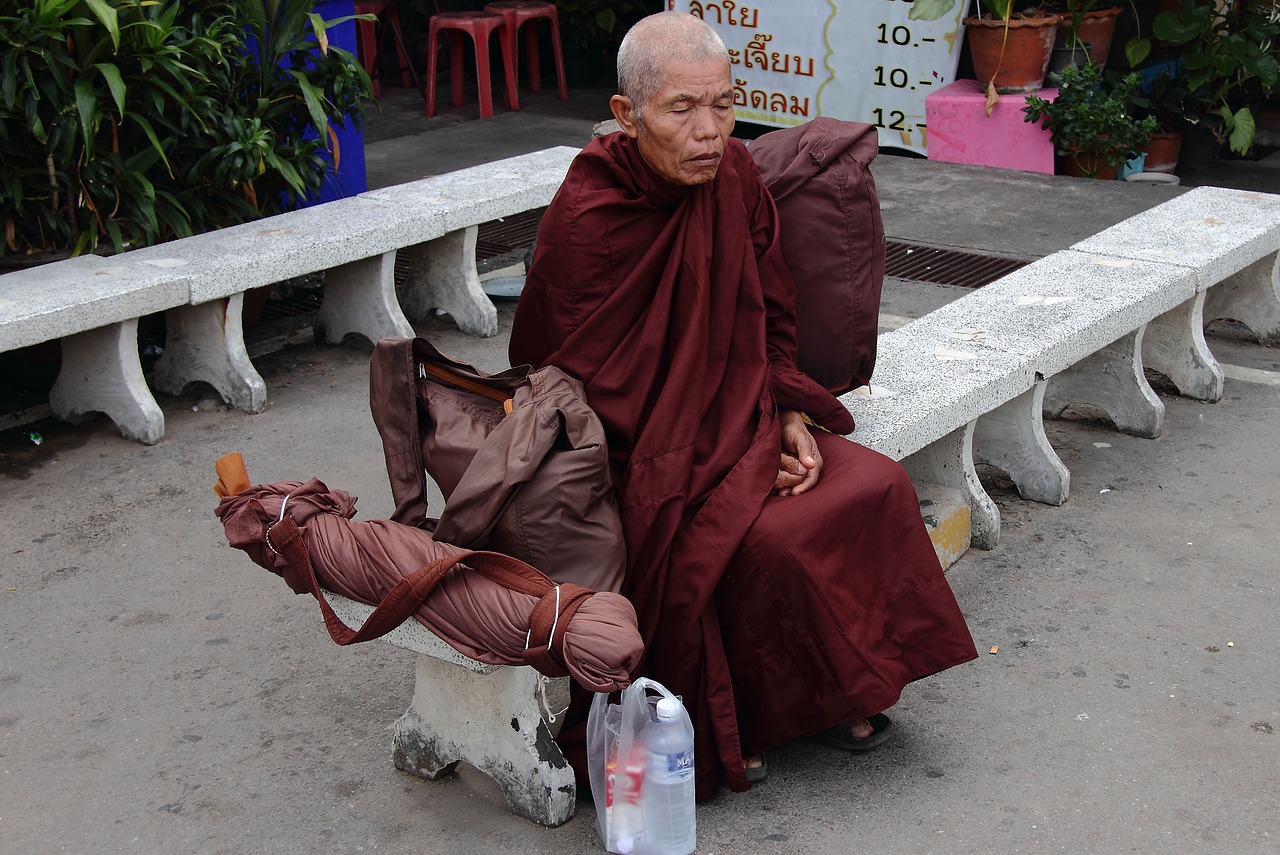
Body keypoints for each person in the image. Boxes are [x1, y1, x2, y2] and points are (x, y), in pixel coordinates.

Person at [509, 11, 978, 799]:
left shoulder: (734, 180)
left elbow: (771, 311)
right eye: (681, 110)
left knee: (873, 485)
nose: (709, 131)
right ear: (628, 117)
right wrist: (744, 445)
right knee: (759, 535)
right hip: (637, 451)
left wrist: (788, 414)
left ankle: (834, 693)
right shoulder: (591, 216)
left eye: (723, 105)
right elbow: (576, 382)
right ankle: (748, 718)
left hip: (738, 419)